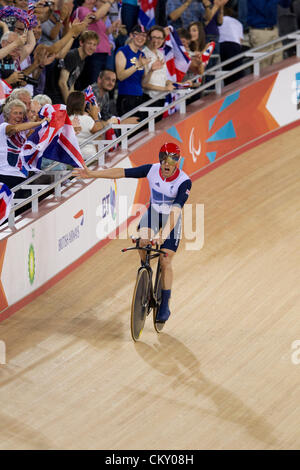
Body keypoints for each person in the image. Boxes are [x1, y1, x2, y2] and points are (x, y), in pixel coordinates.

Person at [72, 142, 192, 327]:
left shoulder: (184, 181)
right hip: (153, 213)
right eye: (164, 160)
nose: (167, 164)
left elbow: (175, 212)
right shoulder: (151, 170)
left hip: (171, 219)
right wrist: (91, 174)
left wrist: (163, 234)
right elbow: (121, 173)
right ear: (160, 160)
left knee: (165, 260)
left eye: (172, 160)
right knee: (142, 241)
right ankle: (146, 272)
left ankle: (165, 304)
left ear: (178, 161)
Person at [0, 98, 49, 192]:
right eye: (15, 113)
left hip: (21, 175)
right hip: (4, 175)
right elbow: (15, 128)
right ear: (7, 114)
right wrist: (40, 123)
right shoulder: (3, 127)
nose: (19, 116)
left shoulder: (22, 133)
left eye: (21, 113)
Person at [115, 24, 150, 117]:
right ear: (131, 35)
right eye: (137, 34)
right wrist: (137, 65)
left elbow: (143, 82)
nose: (141, 37)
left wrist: (152, 71)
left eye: (144, 35)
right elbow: (120, 76)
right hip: (126, 97)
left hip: (139, 96)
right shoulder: (122, 51)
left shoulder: (141, 54)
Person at [247, 0, 292, 69]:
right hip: (260, 32)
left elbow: (285, 5)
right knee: (264, 68)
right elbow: (266, 10)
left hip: (273, 29)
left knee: (278, 65)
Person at [66, 90, 104, 160]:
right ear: (83, 105)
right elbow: (99, 130)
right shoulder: (87, 119)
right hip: (88, 156)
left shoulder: (65, 119)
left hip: (71, 157)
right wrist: (95, 116)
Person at [142, 25, 175, 104]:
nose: (156, 40)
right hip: (149, 98)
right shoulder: (143, 54)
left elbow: (164, 78)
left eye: (159, 38)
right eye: (154, 37)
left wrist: (172, 84)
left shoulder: (161, 54)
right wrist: (164, 89)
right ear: (149, 38)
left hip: (161, 98)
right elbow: (144, 84)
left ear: (163, 40)